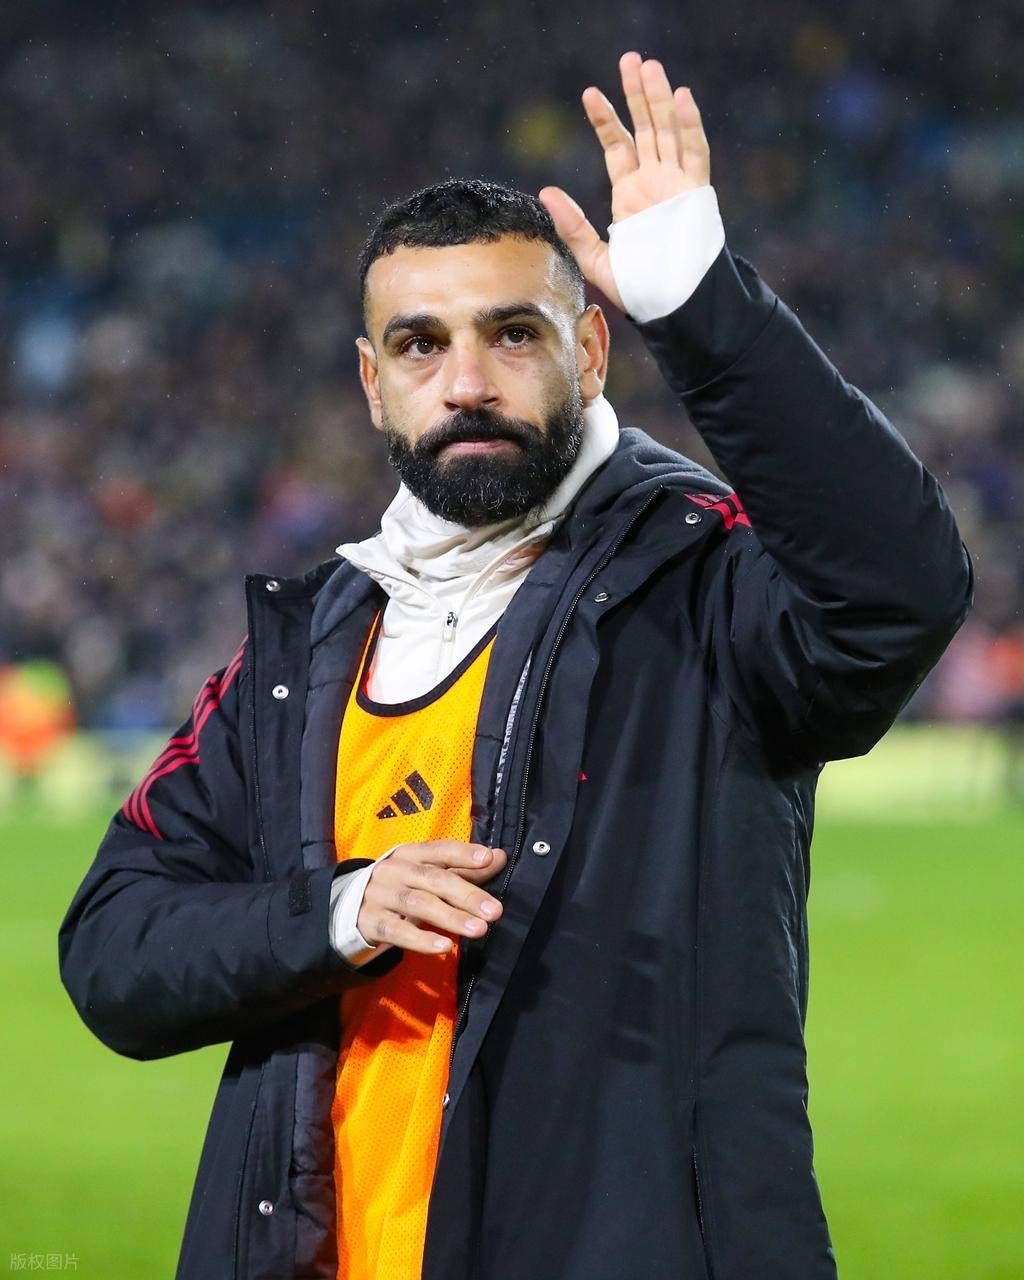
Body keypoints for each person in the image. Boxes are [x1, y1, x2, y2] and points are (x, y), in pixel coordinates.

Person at [59, 52, 972, 1280]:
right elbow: (114, 945)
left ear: (591, 349)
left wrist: (705, 309)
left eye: (513, 333)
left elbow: (898, 591)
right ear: (372, 382)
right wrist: (339, 910)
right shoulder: (305, 642)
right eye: (420, 345)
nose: (467, 382)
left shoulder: (702, 579)